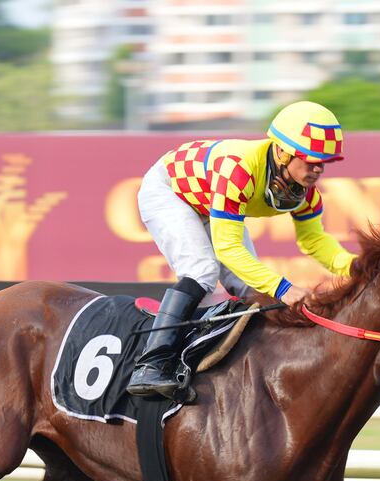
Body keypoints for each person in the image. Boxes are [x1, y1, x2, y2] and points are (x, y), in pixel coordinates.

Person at [127, 100, 357, 399]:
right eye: (310, 159)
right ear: (283, 152)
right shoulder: (241, 169)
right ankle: (151, 364)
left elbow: (314, 241)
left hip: (208, 199)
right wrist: (283, 287)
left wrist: (359, 268)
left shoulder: (305, 193)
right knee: (202, 270)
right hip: (169, 191)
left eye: (323, 163)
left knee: (250, 285)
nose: (317, 170)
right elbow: (227, 249)